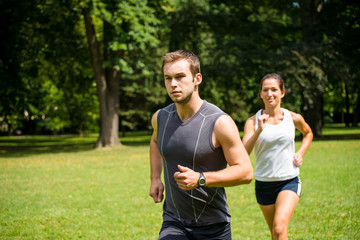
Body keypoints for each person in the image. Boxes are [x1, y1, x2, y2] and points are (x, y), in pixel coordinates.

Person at [149, 49, 253, 240]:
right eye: (168, 78)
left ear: (197, 78)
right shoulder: (160, 118)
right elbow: (155, 141)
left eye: (180, 77)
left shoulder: (220, 122)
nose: (173, 84)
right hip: (174, 220)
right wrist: (155, 178)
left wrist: (200, 179)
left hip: (213, 225)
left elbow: (246, 172)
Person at [242, 73, 313, 240]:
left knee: (279, 229)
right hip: (263, 184)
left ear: (282, 92)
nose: (269, 94)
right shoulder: (252, 122)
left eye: (274, 89)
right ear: (260, 94)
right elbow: (243, 152)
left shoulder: (293, 118)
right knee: (275, 233)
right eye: (265, 90)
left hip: (289, 180)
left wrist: (300, 153)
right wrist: (259, 129)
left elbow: (308, 133)